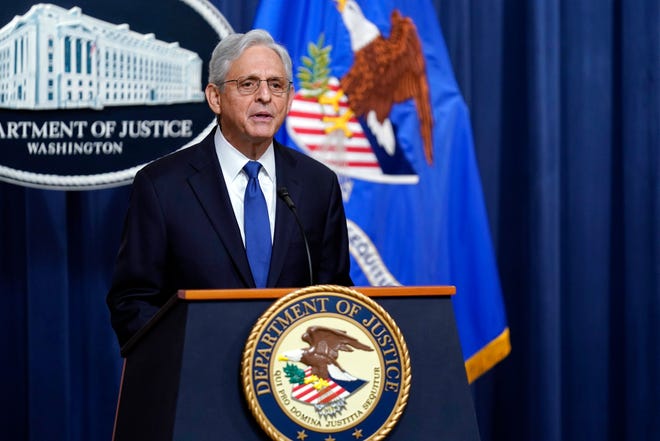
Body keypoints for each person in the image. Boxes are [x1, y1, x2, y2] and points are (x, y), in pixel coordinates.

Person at [106, 30, 353, 347]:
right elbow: (133, 301)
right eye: (248, 84)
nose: (264, 96)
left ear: (290, 98)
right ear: (215, 97)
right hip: (198, 380)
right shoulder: (162, 186)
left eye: (276, 85)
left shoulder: (319, 184)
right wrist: (185, 363)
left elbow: (336, 296)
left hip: (293, 382)